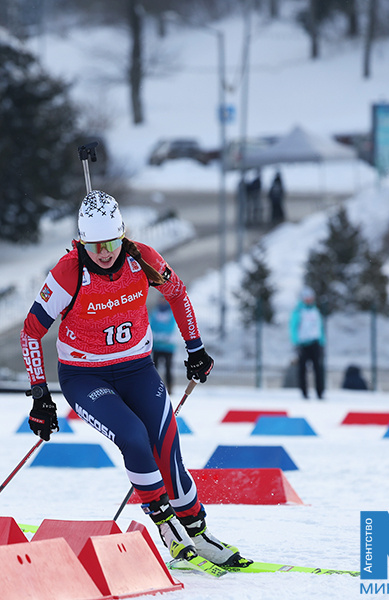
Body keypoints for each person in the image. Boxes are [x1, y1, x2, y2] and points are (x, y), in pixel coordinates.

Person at [19, 190, 249, 568]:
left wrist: (196, 349)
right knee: (132, 436)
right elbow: (31, 332)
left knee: (166, 441)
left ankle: (197, 529)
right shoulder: (67, 272)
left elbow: (178, 294)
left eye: (111, 242)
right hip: (84, 375)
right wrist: (40, 396)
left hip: (137, 368)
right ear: (81, 241)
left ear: (122, 235)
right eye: (94, 245)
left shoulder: (143, 258)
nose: (105, 252)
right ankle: (166, 526)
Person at [289, 286, 325, 400]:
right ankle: (304, 393)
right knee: (302, 370)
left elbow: (320, 327)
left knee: (318, 369)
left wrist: (322, 341)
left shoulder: (315, 311)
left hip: (315, 343)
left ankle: (320, 393)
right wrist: (295, 342)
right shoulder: (298, 312)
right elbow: (293, 327)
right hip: (303, 344)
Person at [149, 296, 178, 394]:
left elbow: (170, 326)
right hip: (157, 345)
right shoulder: (156, 312)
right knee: (154, 369)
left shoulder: (171, 312)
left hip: (168, 346)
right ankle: (154, 387)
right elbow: (152, 325)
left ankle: (169, 388)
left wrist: (160, 330)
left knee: (168, 368)